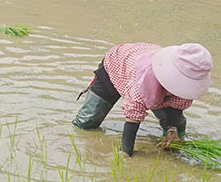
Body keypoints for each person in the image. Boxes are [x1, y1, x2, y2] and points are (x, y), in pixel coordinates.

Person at [73, 43, 213, 157]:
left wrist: (172, 129)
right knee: (86, 123)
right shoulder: (141, 85)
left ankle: (172, 140)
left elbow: (175, 110)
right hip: (117, 64)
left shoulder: (185, 90)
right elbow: (132, 122)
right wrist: (126, 154)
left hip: (144, 58)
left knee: (175, 127)